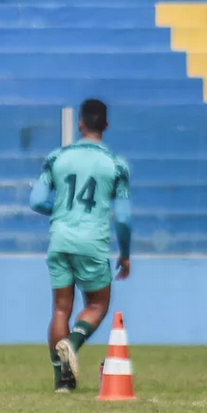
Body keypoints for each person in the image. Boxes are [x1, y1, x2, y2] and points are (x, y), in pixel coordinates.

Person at [28, 98, 132, 392]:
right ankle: (72, 343)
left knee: (61, 308)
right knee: (98, 304)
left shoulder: (57, 158)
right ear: (106, 125)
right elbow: (124, 218)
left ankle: (63, 381)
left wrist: (62, 211)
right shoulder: (116, 165)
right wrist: (125, 255)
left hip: (60, 238)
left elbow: (36, 200)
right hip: (92, 242)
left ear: (80, 123)